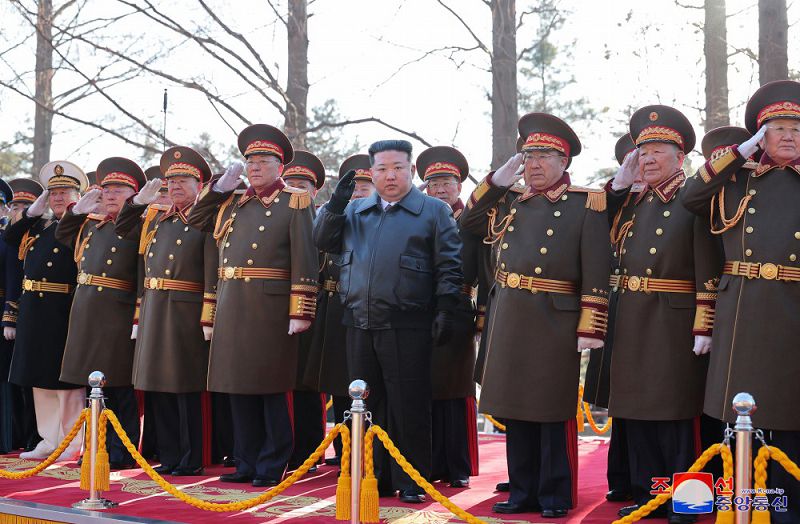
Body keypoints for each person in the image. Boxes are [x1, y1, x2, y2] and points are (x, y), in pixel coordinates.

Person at [460, 113, 610, 518]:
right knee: (515, 406)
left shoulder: (585, 203)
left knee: (549, 409)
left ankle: (555, 493)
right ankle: (523, 490)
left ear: (564, 161)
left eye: (544, 156)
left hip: (555, 318)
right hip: (509, 314)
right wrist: (495, 182)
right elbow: (468, 222)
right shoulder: (510, 200)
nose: (535, 164)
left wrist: (592, 325)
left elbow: (597, 269)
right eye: (528, 156)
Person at [313, 139, 463, 503]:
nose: (389, 175)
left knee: (409, 404)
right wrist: (335, 205)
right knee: (365, 404)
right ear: (372, 172)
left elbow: (449, 265)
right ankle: (373, 475)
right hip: (358, 321)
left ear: (410, 170)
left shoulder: (433, 211)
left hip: (408, 322)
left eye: (397, 168)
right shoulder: (355, 210)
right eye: (381, 168)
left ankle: (412, 479)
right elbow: (321, 240)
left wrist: (446, 309)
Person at [681, 80, 800, 523]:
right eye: (778, 128)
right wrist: (737, 154)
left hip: (793, 307)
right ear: (761, 136)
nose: (789, 136)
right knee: (741, 417)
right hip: (743, 311)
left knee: (790, 416)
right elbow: (691, 198)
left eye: (797, 129)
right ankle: (742, 505)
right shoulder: (737, 179)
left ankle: (787, 510)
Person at [606, 106, 723, 524]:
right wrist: (618, 185)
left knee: (674, 417)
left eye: (658, 151)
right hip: (632, 316)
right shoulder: (633, 201)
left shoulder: (692, 198)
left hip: (673, 321)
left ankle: (687, 503)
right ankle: (649, 496)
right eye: (643, 152)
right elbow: (594, 223)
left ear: (680, 156)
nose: (649, 159)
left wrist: (705, 323)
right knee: (636, 413)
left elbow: (709, 265)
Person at [187, 123, 318, 487]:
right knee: (238, 387)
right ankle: (245, 461)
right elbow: (196, 222)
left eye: (263, 161)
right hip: (232, 303)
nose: (255, 167)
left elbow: (305, 257)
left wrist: (301, 310)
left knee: (270, 388)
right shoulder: (233, 201)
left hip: (269, 308)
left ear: (280, 166)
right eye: (251, 161)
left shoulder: (295, 200)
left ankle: (272, 463)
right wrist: (217, 190)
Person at [115, 146, 218, 476]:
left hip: (186, 310)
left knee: (185, 387)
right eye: (171, 182)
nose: (175, 187)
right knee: (158, 385)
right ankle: (169, 455)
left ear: (199, 186)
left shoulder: (205, 219)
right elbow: (123, 229)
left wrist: (208, 316)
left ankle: (191, 457)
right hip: (155, 308)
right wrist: (137, 202)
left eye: (183, 181)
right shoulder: (156, 218)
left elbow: (211, 270)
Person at [56, 157, 148, 469]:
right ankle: (97, 446)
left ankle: (124, 451)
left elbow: (142, 271)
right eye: (107, 189)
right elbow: (63, 236)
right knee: (91, 384)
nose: (110, 195)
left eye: (119, 190)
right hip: (87, 310)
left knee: (118, 385)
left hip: (117, 311)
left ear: (133, 195)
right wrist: (76, 211)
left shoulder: (139, 223)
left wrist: (137, 316)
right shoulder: (92, 223)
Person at [5, 161, 87, 461]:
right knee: (38, 376)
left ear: (77, 195)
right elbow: (10, 239)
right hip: (33, 307)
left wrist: (76, 212)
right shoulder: (40, 225)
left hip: (62, 307)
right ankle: (48, 438)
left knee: (63, 378)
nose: (58, 198)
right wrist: (30, 213)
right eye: (53, 194)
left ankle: (71, 441)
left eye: (64, 192)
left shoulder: (82, 223)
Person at [303, 154, 375, 465]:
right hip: (332, 307)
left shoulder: (379, 219)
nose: (358, 194)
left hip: (365, 307)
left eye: (364, 188)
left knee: (363, 384)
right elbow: (320, 245)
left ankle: (365, 451)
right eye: (354, 188)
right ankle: (343, 450)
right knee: (336, 383)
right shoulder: (335, 217)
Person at [582, 133, 641, 503]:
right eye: (633, 162)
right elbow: (596, 217)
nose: (641, 168)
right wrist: (620, 185)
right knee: (619, 395)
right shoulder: (615, 201)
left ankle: (641, 479)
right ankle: (621, 476)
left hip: (649, 308)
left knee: (643, 396)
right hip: (614, 304)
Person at [417, 145, 479, 488]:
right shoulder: (417, 218)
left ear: (459, 186)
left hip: (456, 307)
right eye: (434, 184)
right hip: (419, 309)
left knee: (454, 389)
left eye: (446, 183)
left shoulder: (469, 219)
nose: (440, 190)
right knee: (424, 387)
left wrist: (482, 317)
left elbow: (484, 266)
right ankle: (429, 461)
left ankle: (457, 465)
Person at [279, 150, 329, 471]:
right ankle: (284, 446)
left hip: (314, 306)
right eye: (291, 184)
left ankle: (309, 451)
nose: (297, 190)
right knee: (281, 379)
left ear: (315, 191)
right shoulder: (275, 215)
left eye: (303, 185)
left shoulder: (323, 218)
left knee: (308, 382)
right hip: (275, 307)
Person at [3, 179, 44, 454]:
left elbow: (14, 278)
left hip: (29, 312)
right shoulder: (12, 234)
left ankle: (28, 433)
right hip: (24, 312)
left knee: (24, 379)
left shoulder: (36, 233)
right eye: (16, 205)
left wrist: (10, 316)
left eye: (25, 206)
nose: (19, 210)